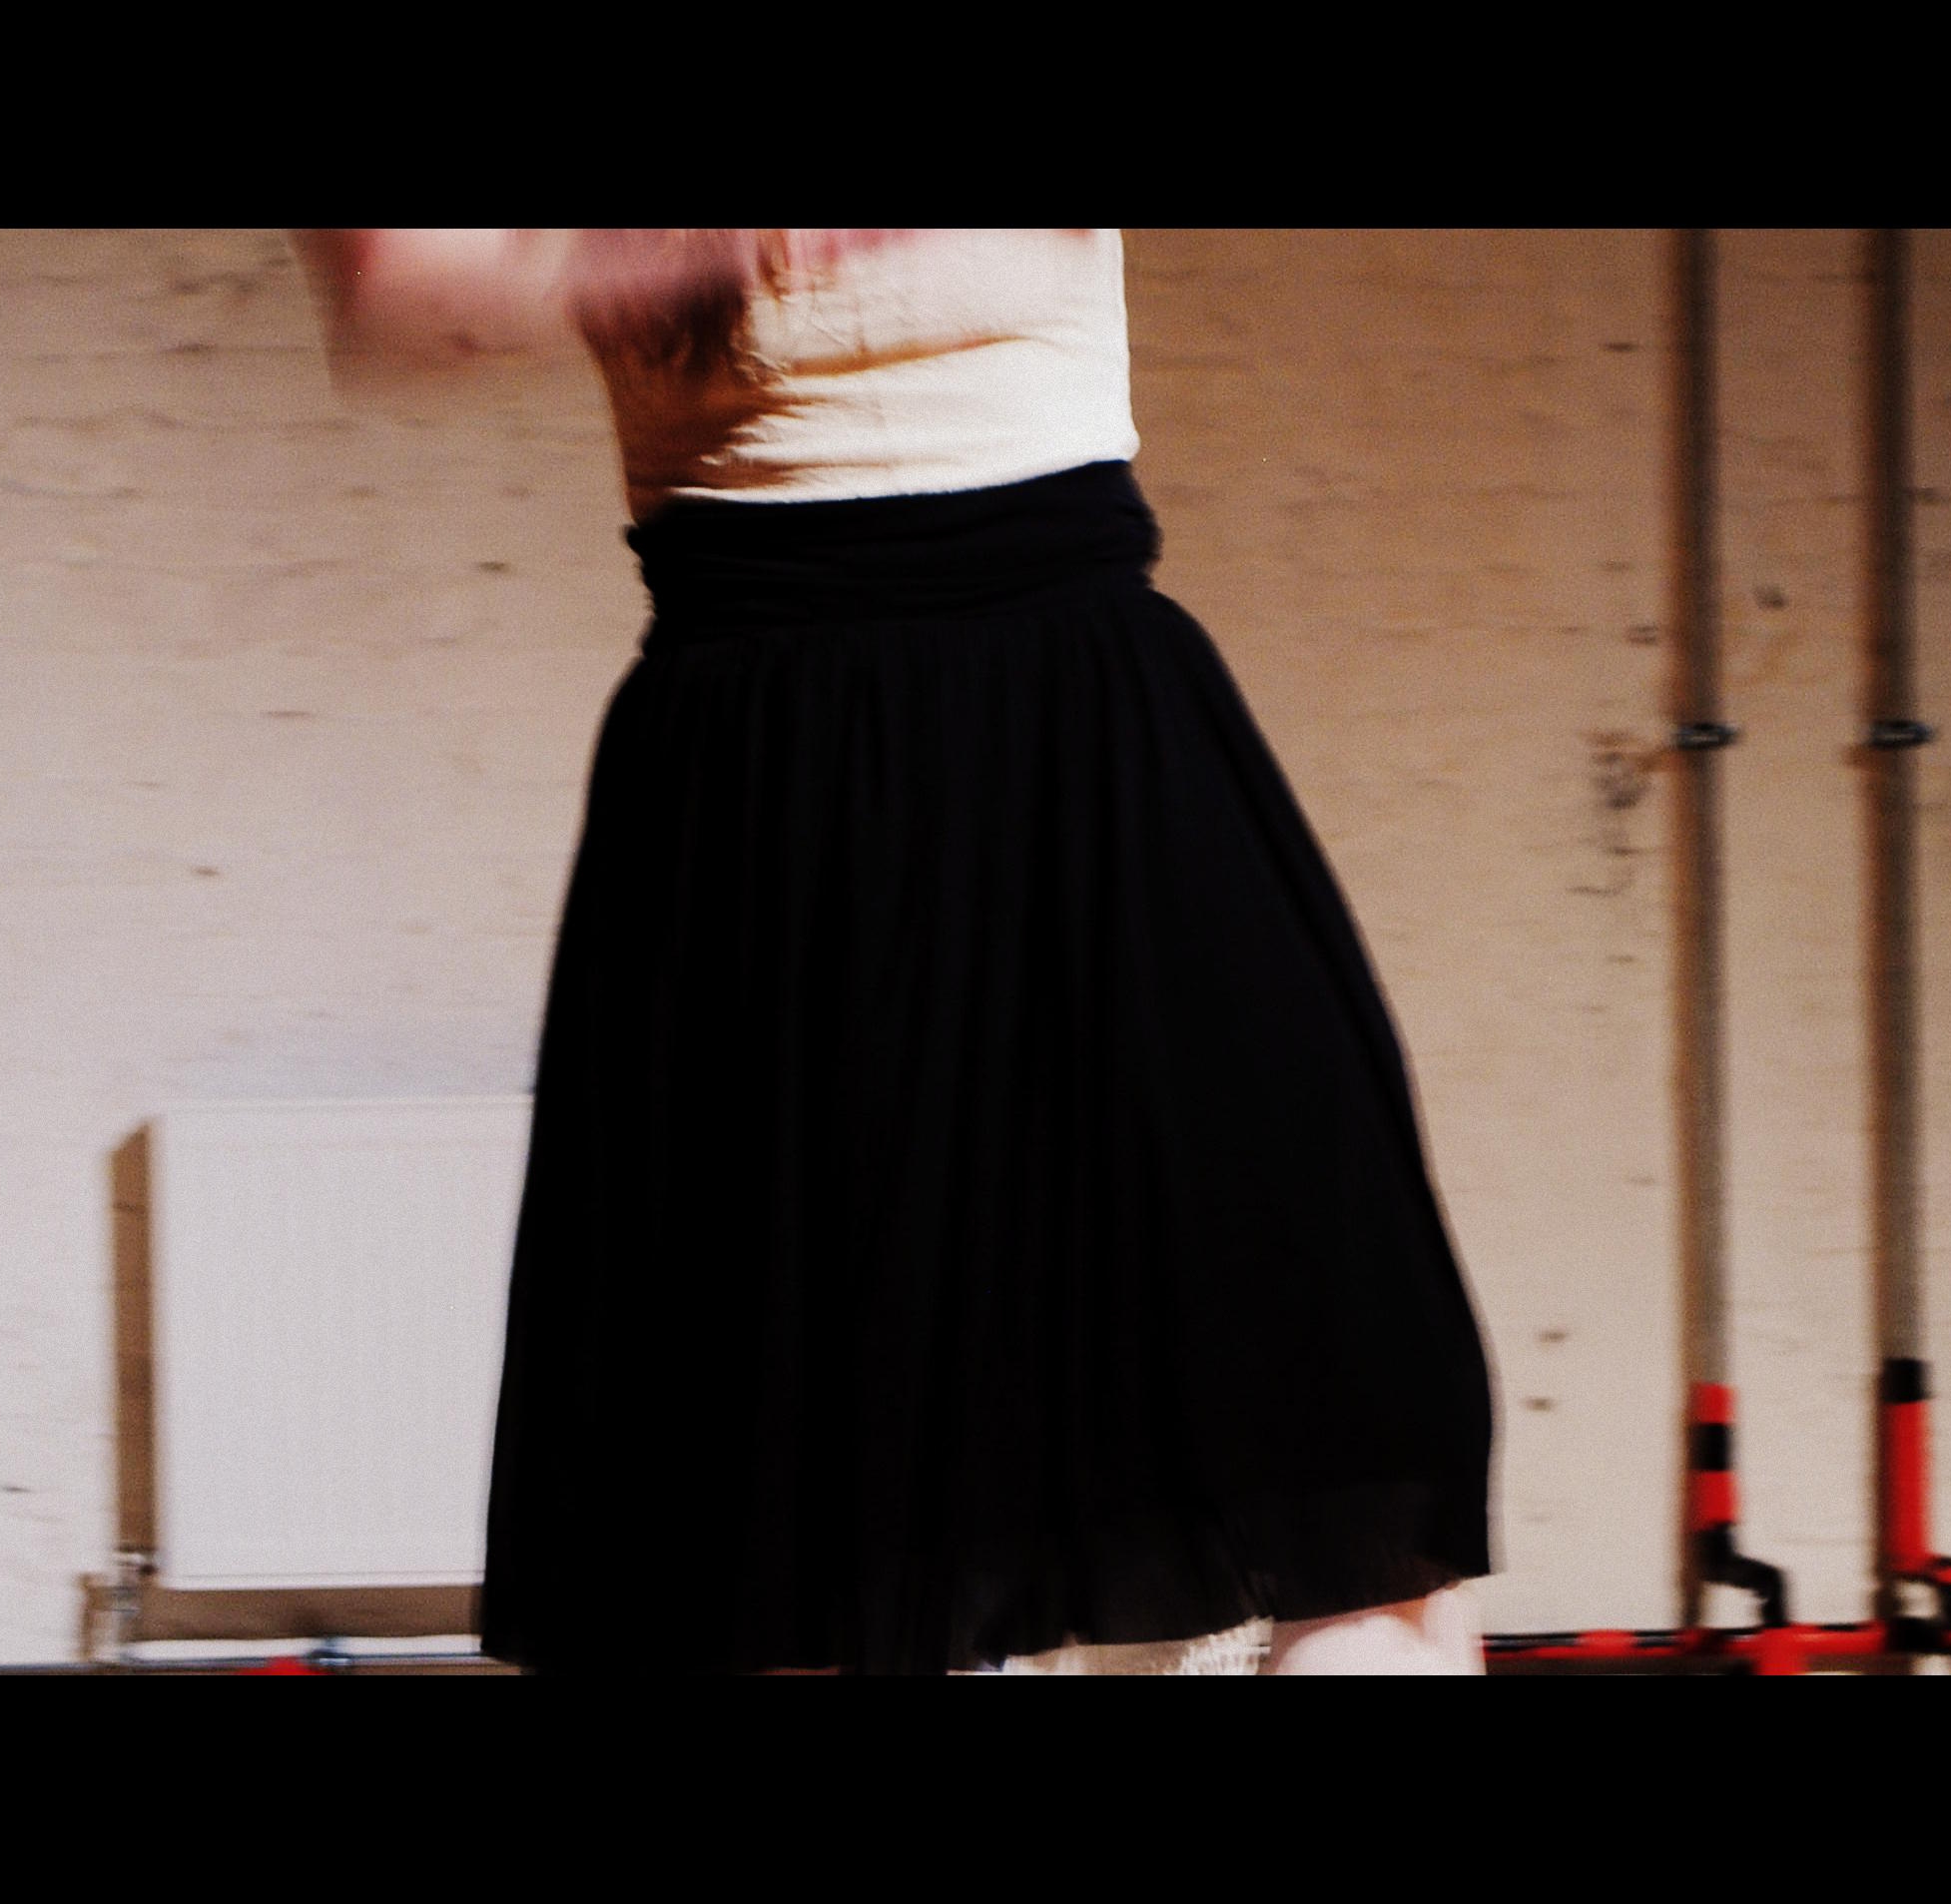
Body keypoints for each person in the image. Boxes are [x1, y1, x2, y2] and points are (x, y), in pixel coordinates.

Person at [295, 229, 1497, 1674]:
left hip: (1078, 712)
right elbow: (392, 295)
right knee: (797, 1558)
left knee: (1370, 1495)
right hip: (763, 768)